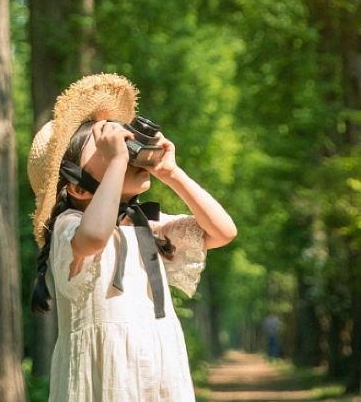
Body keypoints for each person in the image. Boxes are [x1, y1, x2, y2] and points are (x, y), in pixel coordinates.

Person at [28, 73, 237, 402]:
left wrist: (171, 173)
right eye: (106, 150)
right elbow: (96, 236)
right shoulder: (70, 226)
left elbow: (223, 231)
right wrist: (118, 162)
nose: (121, 154)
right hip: (104, 379)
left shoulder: (144, 226)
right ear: (78, 187)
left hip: (159, 370)